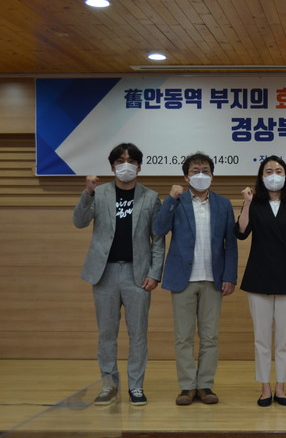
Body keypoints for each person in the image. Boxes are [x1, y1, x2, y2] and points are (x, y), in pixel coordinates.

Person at [72, 142, 164, 406]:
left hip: (138, 274)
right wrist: (87, 193)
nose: (126, 166)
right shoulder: (99, 193)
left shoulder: (150, 197)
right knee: (107, 334)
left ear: (139, 167)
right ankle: (108, 386)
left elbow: (158, 239)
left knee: (138, 334)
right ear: (112, 166)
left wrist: (155, 272)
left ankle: (136, 386)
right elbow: (79, 221)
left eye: (131, 161)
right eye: (121, 161)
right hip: (105, 273)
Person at [155, 152, 237, 406]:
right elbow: (158, 229)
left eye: (205, 171)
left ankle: (205, 385)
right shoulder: (177, 201)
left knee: (210, 337)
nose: (200, 175)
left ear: (212, 175)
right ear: (185, 176)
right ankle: (187, 386)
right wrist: (170, 199)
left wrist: (230, 276)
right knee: (184, 337)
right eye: (195, 171)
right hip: (183, 279)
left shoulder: (223, 204)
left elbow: (231, 244)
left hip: (213, 278)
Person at [235, 156, 286, 407]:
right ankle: (265, 387)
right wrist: (247, 203)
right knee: (261, 338)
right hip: (259, 277)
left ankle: (281, 387)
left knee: (284, 339)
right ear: (261, 176)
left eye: (278, 170)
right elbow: (241, 232)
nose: (274, 174)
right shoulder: (255, 203)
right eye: (268, 171)